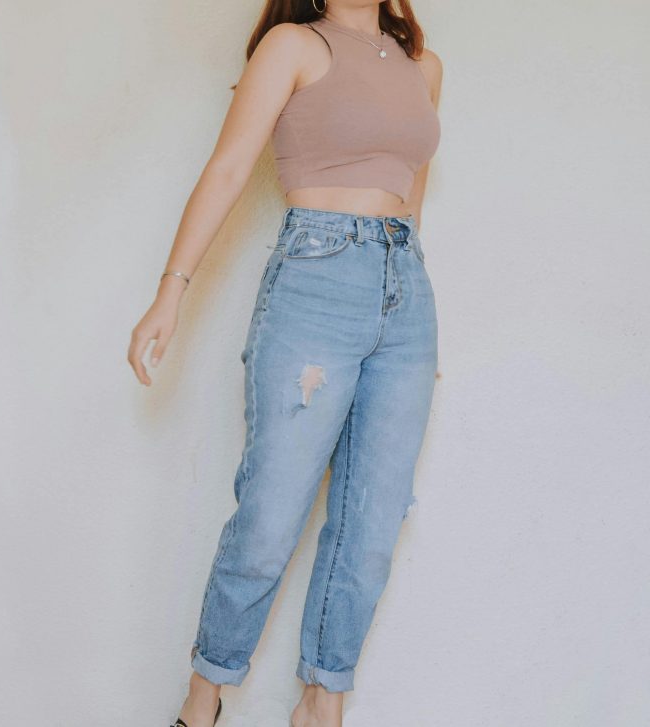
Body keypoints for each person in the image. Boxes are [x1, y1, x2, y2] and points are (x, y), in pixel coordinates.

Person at [128, 1, 442, 724]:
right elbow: (231, 165)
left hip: (407, 300)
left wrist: (412, 330)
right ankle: (202, 698)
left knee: (372, 520)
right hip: (315, 278)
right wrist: (169, 291)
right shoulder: (294, 46)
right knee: (271, 513)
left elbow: (410, 205)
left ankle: (321, 704)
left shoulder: (426, 68)